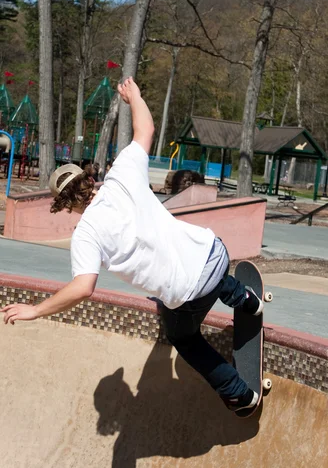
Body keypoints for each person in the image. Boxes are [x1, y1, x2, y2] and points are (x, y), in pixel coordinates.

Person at [1, 77, 264, 413]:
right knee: (196, 267)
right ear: (88, 179)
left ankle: (240, 395)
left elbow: (83, 288)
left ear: (65, 205)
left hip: (190, 291)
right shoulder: (122, 174)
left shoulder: (86, 234)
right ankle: (244, 298)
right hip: (214, 252)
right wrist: (135, 97)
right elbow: (146, 129)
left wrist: (35, 310)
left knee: (183, 337)